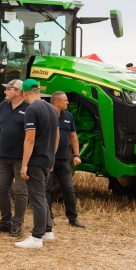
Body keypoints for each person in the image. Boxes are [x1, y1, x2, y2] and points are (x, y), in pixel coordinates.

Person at [0, 79, 28, 237]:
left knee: (21, 191)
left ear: (18, 92)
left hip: (21, 158)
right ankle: (5, 222)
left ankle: (17, 224)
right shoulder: (3, 106)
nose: (5, 91)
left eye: (8, 89)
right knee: (1, 188)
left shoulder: (29, 109)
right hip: (4, 155)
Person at [16, 79, 59, 249]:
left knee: (37, 197)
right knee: (42, 194)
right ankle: (48, 231)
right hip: (48, 158)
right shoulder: (51, 108)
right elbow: (56, 138)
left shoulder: (31, 110)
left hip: (35, 159)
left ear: (24, 93)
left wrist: (24, 164)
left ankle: (36, 237)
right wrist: (52, 158)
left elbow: (30, 139)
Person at [45, 91, 84, 231]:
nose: (67, 103)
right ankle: (48, 216)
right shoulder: (47, 115)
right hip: (49, 160)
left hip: (64, 160)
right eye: (65, 100)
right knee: (47, 190)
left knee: (69, 189)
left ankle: (72, 218)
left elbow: (73, 137)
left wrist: (77, 155)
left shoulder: (68, 116)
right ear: (56, 102)